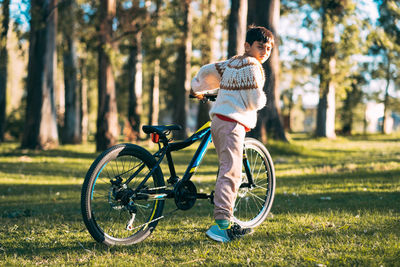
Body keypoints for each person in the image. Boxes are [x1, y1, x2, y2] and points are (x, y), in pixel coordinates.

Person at [190, 25, 274, 242]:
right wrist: (263, 101)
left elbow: (209, 70)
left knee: (226, 167)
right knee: (232, 172)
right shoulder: (253, 66)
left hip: (218, 120)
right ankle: (222, 225)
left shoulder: (233, 62)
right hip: (233, 123)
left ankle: (224, 219)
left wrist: (197, 88)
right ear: (247, 46)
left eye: (269, 48)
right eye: (260, 47)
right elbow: (255, 100)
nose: (265, 52)